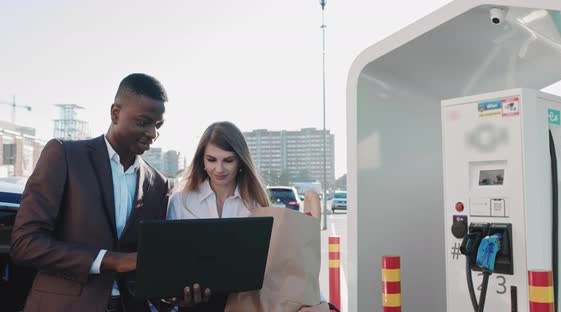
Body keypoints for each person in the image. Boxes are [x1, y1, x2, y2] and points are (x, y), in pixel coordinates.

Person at [10, 73, 207, 312]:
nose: (153, 133)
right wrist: (112, 260)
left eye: (158, 125)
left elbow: (147, 267)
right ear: (115, 113)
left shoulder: (159, 184)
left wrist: (172, 297)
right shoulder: (64, 156)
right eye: (144, 122)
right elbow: (25, 244)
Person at [168, 121, 330, 312]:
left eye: (228, 160)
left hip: (246, 304)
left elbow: (284, 264)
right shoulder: (180, 201)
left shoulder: (257, 205)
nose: (219, 169)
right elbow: (171, 260)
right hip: (194, 305)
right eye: (211, 159)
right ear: (201, 161)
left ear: (240, 162)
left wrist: (319, 302)